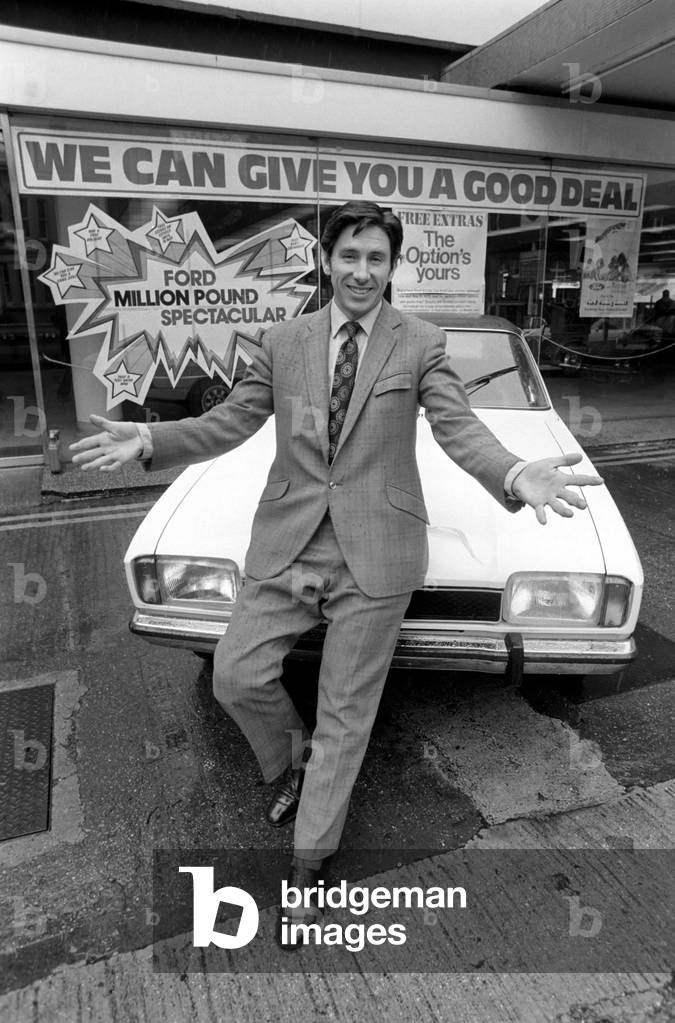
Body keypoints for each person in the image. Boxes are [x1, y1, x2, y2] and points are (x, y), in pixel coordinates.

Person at [70, 201, 603, 947]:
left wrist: (515, 474)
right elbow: (230, 421)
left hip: (378, 549)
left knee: (345, 713)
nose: (361, 271)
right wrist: (151, 437)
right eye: (349, 256)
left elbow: (457, 426)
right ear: (329, 259)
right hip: (289, 539)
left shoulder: (418, 341)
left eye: (376, 259)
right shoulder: (283, 339)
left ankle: (308, 865)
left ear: (392, 267)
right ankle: (291, 761)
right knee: (235, 674)